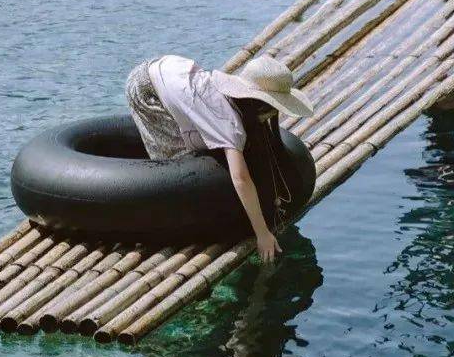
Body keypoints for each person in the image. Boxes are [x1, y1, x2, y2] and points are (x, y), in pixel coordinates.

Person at [125, 53, 313, 262]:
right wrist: (262, 233)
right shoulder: (229, 124)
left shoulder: (228, 101)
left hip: (169, 69)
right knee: (177, 162)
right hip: (146, 88)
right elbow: (241, 179)